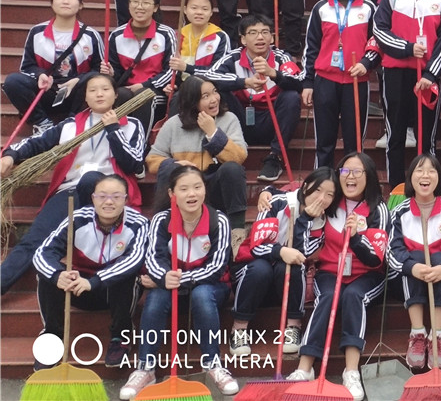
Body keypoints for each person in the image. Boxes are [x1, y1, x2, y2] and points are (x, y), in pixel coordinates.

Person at [0, 72, 145, 295]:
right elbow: (37, 142)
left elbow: (134, 163)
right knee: (33, 240)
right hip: (70, 191)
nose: (99, 94)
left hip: (110, 197)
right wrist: (10, 155)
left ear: (116, 95)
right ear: (85, 97)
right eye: (92, 90)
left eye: (105, 89)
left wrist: (113, 129)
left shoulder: (131, 125)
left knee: (91, 179)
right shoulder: (70, 125)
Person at [119, 166, 237, 399]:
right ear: (172, 194)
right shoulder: (162, 220)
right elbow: (153, 259)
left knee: (202, 293)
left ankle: (213, 363)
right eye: (184, 189)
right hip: (170, 288)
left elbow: (217, 267)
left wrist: (179, 279)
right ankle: (145, 367)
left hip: (210, 288)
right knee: (156, 296)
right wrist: (164, 277)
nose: (191, 194)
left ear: (205, 190)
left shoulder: (219, 221)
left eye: (197, 187)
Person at [287, 153, 388, 401]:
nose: (350, 176)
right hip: (331, 271)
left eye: (357, 171)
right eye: (345, 171)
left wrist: (356, 238)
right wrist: (268, 193)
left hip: (367, 275)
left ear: (369, 176)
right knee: (328, 296)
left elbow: (376, 259)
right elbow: (294, 197)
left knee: (353, 296)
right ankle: (305, 367)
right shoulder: (330, 202)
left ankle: (351, 371)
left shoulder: (378, 209)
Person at [32, 173, 147, 369]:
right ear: (93, 198)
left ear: (126, 199)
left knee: (128, 276)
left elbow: (133, 260)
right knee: (47, 275)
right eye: (102, 196)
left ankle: (121, 336)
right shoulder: (77, 218)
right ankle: (52, 336)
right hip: (77, 288)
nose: (108, 202)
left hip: (112, 291)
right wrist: (58, 276)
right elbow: (42, 253)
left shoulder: (139, 224)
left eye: (116, 196)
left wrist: (94, 282)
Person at [373, 0, 441, 187]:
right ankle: (397, 187)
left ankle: (426, 187)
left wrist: (431, 74)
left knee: (426, 137)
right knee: (395, 134)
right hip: (395, 72)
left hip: (427, 75)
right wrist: (407, 48)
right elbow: (379, 30)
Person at [230, 168, 332, 362]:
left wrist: (305, 220)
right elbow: (256, 247)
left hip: (284, 284)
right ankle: (239, 328)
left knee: (293, 266)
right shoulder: (276, 203)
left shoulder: (321, 222)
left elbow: (301, 255)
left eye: (329, 194)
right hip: (252, 277)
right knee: (261, 268)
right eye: (318, 190)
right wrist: (280, 251)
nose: (322, 198)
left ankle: (293, 326)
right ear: (305, 187)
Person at [388, 155, 441, 370]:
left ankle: (437, 335)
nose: (425, 175)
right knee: (414, 258)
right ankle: (417, 333)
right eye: (419, 170)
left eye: (431, 170)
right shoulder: (400, 211)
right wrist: (413, 268)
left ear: (439, 178)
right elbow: (393, 251)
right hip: (409, 279)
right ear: (410, 178)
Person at [204, 14, 303, 183]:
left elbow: (299, 81)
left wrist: (274, 74)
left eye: (265, 32)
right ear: (243, 39)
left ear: (272, 38)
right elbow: (209, 76)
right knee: (219, 93)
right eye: (253, 33)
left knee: (291, 96)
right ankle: (224, 152)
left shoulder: (281, 57)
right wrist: (244, 82)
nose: (260, 37)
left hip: (271, 121)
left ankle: (275, 156)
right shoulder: (233, 57)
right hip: (240, 120)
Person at [302, 0, 380, 167]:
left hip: (356, 82)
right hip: (325, 81)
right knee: (324, 142)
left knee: (354, 144)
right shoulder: (321, 8)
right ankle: (324, 181)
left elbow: (376, 43)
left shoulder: (368, 8)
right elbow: (311, 48)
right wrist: (308, 83)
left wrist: (366, 63)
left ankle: (350, 181)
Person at [146, 76, 248, 239]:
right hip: (186, 188)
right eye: (205, 96)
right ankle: (165, 226)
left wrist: (213, 133)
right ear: (192, 101)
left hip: (213, 187)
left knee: (232, 169)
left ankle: (237, 233)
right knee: (169, 168)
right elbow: (152, 160)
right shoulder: (173, 124)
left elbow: (238, 157)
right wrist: (177, 164)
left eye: (214, 92)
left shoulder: (229, 119)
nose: (214, 99)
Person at [2, 0, 103, 133]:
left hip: (77, 92)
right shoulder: (37, 32)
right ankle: (42, 123)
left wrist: (79, 80)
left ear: (81, 5)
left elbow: (99, 70)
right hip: (47, 90)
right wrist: (40, 75)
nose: (65, 1)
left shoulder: (90, 35)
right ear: (51, 3)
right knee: (13, 81)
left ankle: (72, 124)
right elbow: (27, 66)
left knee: (91, 82)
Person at [103, 0, 176, 134]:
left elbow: (171, 70)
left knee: (143, 95)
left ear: (155, 7)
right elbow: (117, 73)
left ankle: (140, 142)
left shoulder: (166, 34)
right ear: (129, 5)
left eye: (146, 3)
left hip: (155, 90)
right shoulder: (117, 35)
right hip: (127, 89)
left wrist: (145, 85)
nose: (139, 7)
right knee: (119, 94)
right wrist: (111, 73)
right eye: (135, 2)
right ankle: (120, 139)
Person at [167, 0, 232, 81]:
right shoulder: (178, 35)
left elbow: (219, 71)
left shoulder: (219, 37)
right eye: (194, 8)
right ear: (185, 10)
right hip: (182, 85)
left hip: (209, 85)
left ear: (211, 12)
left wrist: (187, 68)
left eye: (205, 9)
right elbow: (170, 67)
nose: (199, 12)